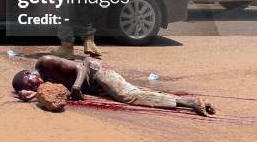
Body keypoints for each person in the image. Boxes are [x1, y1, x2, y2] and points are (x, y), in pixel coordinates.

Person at [12, 55, 216, 117]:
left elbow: (81, 67)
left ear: (28, 74)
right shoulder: (43, 84)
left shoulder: (45, 62)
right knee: (132, 92)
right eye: (32, 87)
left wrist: (76, 86)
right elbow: (52, 96)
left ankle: (188, 102)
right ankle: (184, 101)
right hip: (92, 85)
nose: (37, 85)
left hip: (94, 71)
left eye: (32, 82)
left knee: (127, 96)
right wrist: (29, 94)